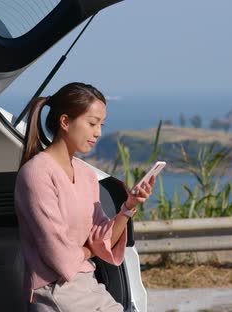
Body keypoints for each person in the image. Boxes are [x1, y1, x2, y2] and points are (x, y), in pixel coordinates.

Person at [15, 82, 155, 311]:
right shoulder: (36, 174)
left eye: (101, 124)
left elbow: (103, 239)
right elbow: (61, 257)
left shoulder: (86, 175)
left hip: (87, 285)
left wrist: (128, 207)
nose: (98, 132)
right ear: (65, 122)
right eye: (92, 123)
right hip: (54, 292)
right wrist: (90, 249)